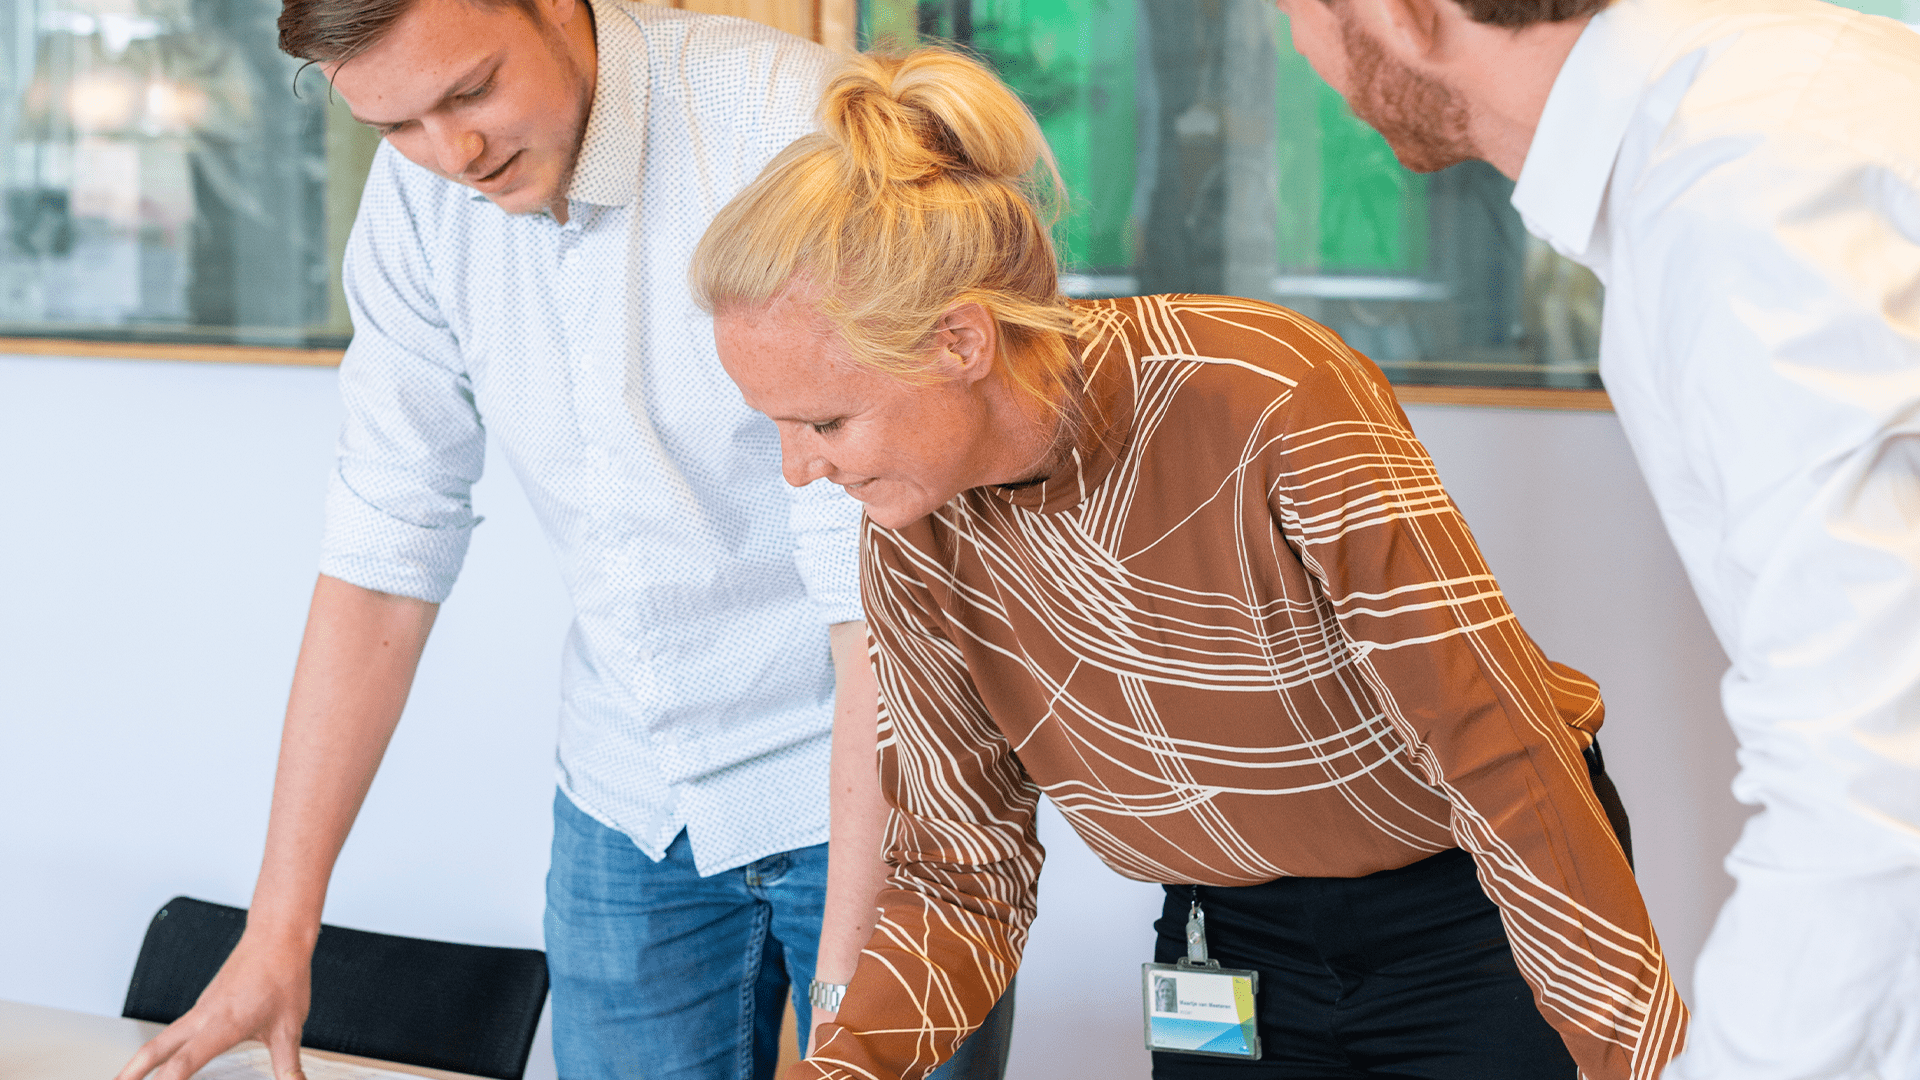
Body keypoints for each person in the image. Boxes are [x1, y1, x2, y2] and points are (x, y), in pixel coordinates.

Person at [691, 47, 1686, 1080]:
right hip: (1224, 936)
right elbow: (960, 875)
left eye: (823, 421)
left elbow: (1499, 755)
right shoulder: (911, 537)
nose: (797, 471)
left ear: (960, 341)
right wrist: (841, 1068)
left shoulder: (1263, 397)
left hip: (1470, 908)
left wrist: (1633, 1055)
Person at [106, 2, 1018, 1079]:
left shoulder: (787, 125)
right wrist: (278, 930)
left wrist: (852, 992)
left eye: (470, 91)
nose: (455, 155)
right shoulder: (419, 201)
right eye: (395, 126)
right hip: (628, 804)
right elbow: (384, 550)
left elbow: (872, 594)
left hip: (874, 766)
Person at [1266, 0, 1920, 1073]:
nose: (1296, 45)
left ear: (1397, 13)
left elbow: (1876, 780)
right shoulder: (1775, 110)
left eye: (1287, 10)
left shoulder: (1749, 185)